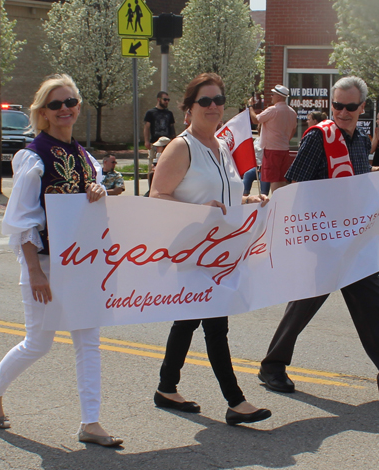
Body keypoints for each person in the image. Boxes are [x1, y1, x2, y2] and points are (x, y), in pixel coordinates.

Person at [259, 76, 379, 401]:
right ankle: (272, 365)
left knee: (374, 304)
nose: (342, 112)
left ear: (361, 107)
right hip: (324, 238)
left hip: (353, 238)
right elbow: (295, 185)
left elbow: (359, 178)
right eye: (337, 105)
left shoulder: (359, 139)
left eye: (350, 106)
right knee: (305, 302)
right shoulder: (318, 138)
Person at [0, 74, 122, 447]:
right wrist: (35, 272)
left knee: (88, 340)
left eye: (71, 102)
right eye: (56, 104)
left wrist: (97, 187)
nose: (65, 109)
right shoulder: (34, 156)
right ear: (43, 112)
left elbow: (98, 199)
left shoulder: (84, 156)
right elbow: (22, 221)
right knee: (38, 343)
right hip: (45, 263)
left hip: (82, 264)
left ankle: (91, 422)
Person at [150, 72, 271, 426]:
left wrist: (251, 200)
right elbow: (157, 197)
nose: (214, 106)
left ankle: (166, 387)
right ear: (188, 109)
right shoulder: (181, 147)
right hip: (192, 252)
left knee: (188, 322)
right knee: (216, 326)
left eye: (219, 100)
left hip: (223, 253)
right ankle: (236, 401)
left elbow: (227, 197)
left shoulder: (221, 146)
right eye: (205, 101)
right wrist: (198, 213)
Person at [248, 85, 297, 193]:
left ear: (278, 96)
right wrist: (284, 140)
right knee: (281, 179)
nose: (272, 96)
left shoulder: (272, 110)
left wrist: (250, 106)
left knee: (274, 179)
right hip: (284, 149)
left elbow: (256, 120)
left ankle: (277, 204)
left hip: (272, 149)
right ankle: (283, 201)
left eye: (273, 94)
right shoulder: (292, 112)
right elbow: (293, 129)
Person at [144, 91, 176, 170]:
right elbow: (147, 127)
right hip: (155, 142)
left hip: (167, 141)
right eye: (165, 99)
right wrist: (146, 141)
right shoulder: (150, 113)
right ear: (159, 99)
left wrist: (174, 140)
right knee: (152, 163)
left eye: (168, 100)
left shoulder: (169, 113)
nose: (166, 102)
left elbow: (172, 127)